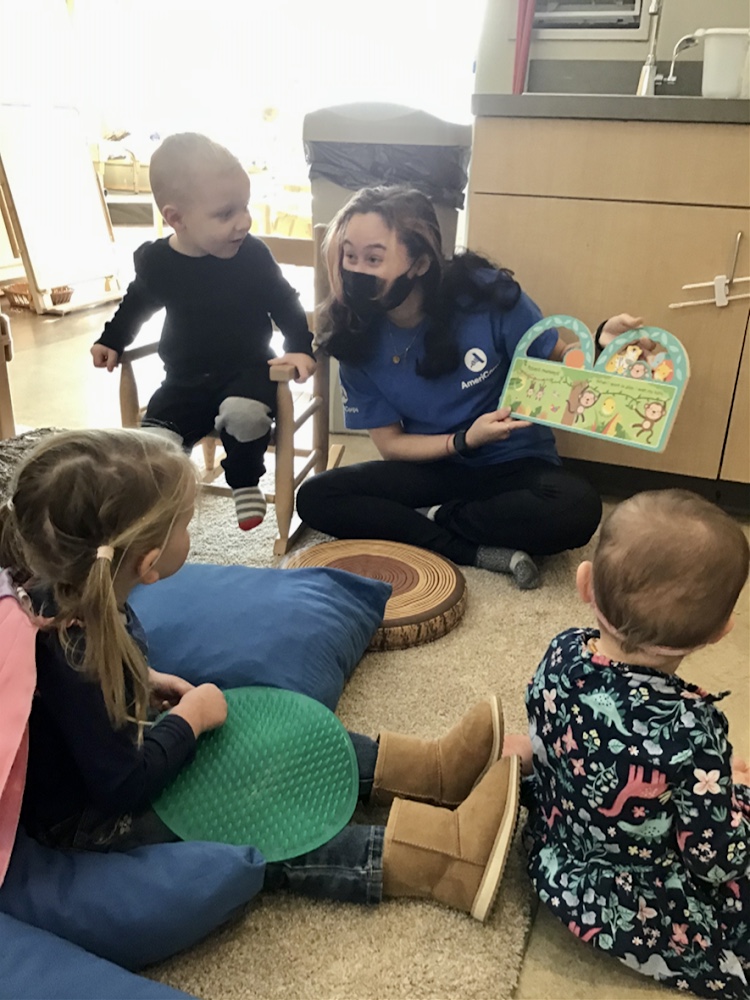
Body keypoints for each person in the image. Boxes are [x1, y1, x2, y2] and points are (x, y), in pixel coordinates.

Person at [0, 428, 520, 922]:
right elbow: (122, 786)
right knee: (252, 816)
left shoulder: (72, 593)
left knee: (269, 728)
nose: (191, 531)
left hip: (122, 751)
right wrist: (191, 721)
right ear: (150, 563)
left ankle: (430, 772)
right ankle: (442, 860)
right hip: (94, 819)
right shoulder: (74, 652)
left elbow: (87, 710)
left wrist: (145, 679)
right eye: (186, 523)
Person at [296, 185, 645, 590]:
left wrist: (603, 343)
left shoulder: (487, 294)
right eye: (349, 255)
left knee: (578, 509)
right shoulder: (353, 333)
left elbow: (556, 360)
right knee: (317, 498)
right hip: (432, 465)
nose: (357, 270)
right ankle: (468, 549)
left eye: (374, 258)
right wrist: (463, 440)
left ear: (420, 262)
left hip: (514, 463)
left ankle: (434, 518)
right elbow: (391, 445)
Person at [504, 489, 750, 998]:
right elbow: (714, 858)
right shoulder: (691, 728)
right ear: (720, 632)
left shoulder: (562, 652)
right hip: (633, 902)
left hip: (557, 850)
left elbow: (542, 731)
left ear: (584, 583)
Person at [91, 132, 316, 532]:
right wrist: (112, 340)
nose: (243, 221)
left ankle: (245, 480)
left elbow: (285, 302)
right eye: (225, 213)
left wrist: (300, 347)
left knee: (244, 416)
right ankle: (164, 509)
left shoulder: (251, 256)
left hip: (248, 372)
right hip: (184, 380)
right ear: (176, 218)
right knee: (153, 443)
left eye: (244, 207)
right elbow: (136, 304)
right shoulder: (160, 263)